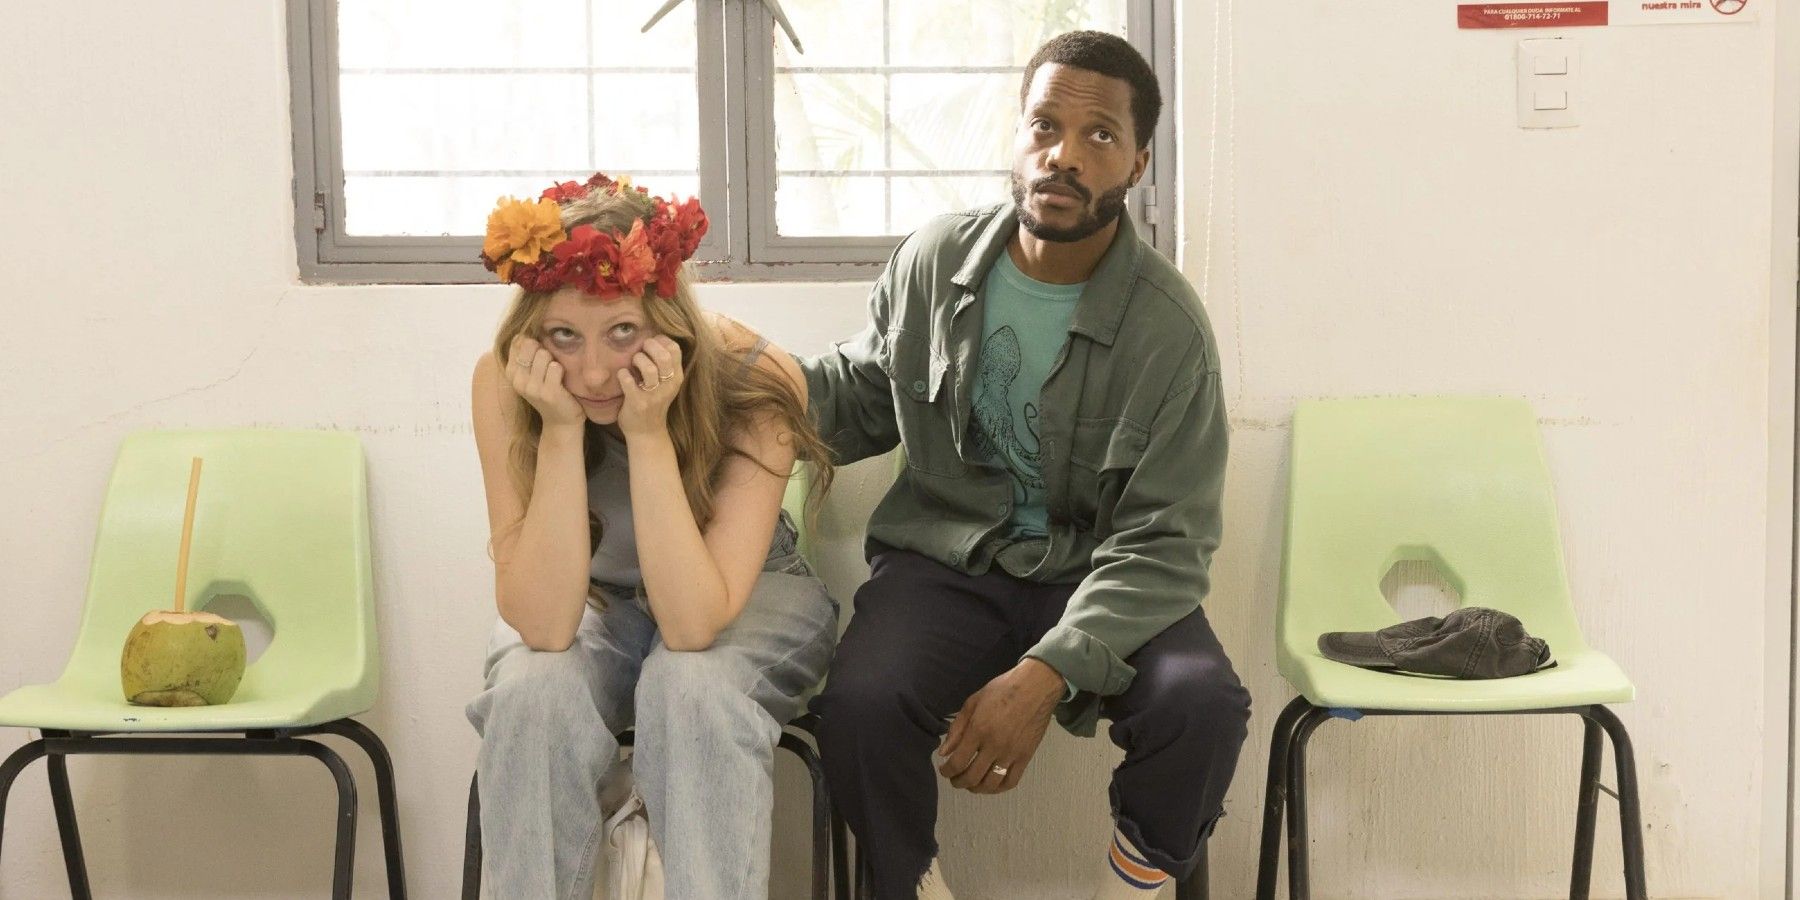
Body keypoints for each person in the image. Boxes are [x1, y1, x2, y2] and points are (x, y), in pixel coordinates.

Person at [801, 31, 1251, 899]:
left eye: (1100, 137)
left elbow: (1167, 541)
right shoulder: (933, 261)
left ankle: (1137, 883)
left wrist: (1048, 672)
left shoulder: (1170, 329)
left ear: (1138, 163)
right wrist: (729, 376)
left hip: (1100, 575)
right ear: (1017, 134)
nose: (1065, 156)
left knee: (1202, 705)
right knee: (858, 705)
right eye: (1045, 125)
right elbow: (856, 398)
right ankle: (910, 885)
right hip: (945, 567)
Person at [464, 173, 838, 899]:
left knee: (690, 684)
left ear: (666, 321)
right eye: (563, 336)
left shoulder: (756, 379)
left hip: (746, 592)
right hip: (594, 595)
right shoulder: (505, 384)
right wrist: (563, 430)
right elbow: (543, 626)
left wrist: (646, 434)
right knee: (529, 695)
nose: (595, 370)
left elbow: (694, 624)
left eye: (624, 332)